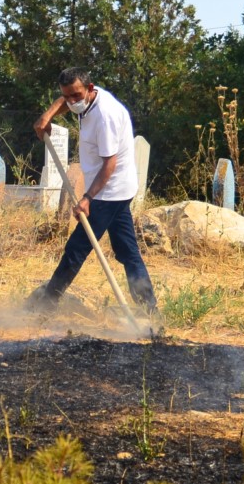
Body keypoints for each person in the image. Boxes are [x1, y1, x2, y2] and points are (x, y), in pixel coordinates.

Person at [28, 67, 158, 320]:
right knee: (127, 251)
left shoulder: (105, 116)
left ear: (90, 88)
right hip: (116, 188)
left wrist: (87, 198)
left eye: (77, 95)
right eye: (68, 97)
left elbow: (110, 164)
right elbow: (65, 100)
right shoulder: (87, 99)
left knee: (77, 247)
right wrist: (48, 116)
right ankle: (150, 309)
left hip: (109, 190)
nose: (72, 102)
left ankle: (47, 303)